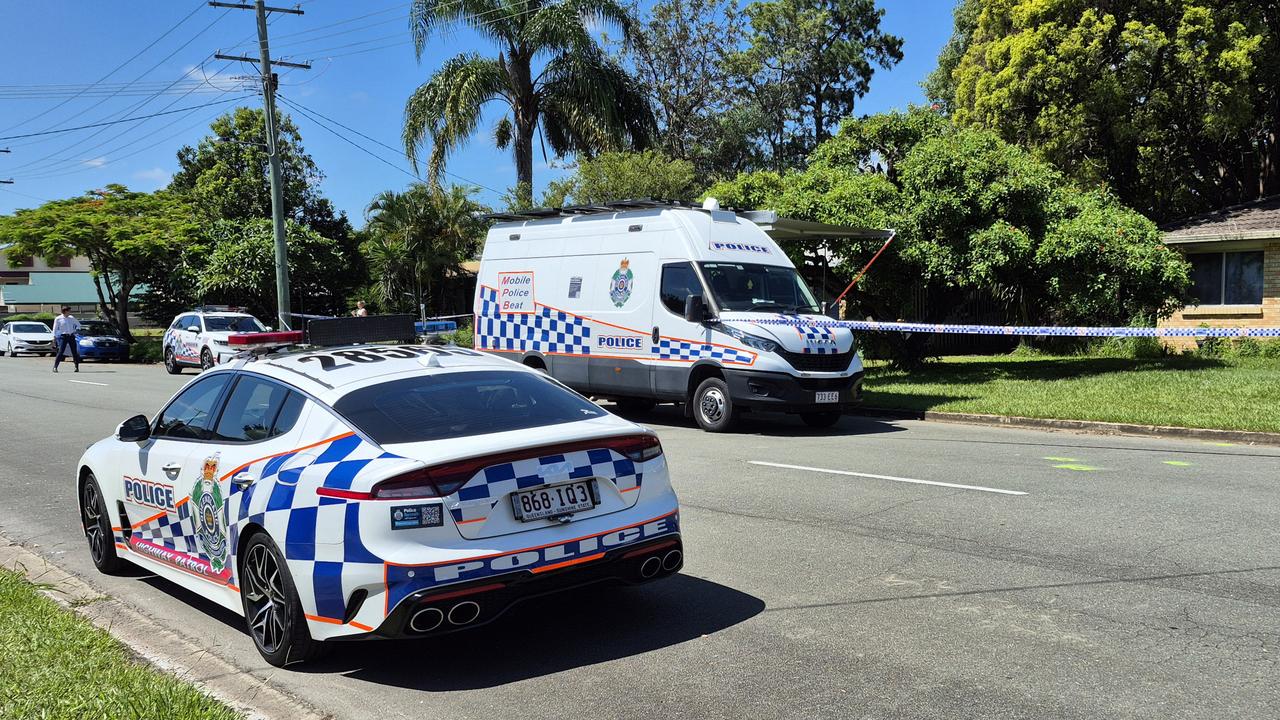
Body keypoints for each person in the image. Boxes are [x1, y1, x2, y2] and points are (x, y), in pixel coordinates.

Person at [51, 306, 82, 373]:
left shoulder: (71, 318)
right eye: (69, 311)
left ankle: (76, 367)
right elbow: (55, 329)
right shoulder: (58, 318)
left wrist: (75, 330)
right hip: (63, 336)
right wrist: (54, 337)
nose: (70, 312)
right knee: (60, 351)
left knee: (74, 352)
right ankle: (55, 367)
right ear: (65, 311)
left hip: (71, 336)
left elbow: (78, 325)